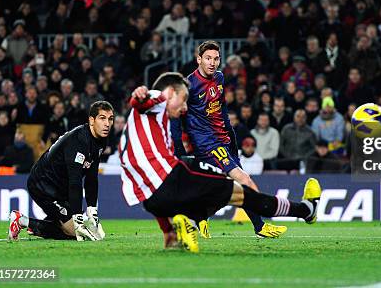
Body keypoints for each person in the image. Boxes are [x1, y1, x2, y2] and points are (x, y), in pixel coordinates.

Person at [125, 72, 320, 253]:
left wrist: (166, 231)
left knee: (229, 194)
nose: (185, 107)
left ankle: (185, 227)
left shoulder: (151, 125)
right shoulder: (158, 98)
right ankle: (305, 210)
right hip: (171, 178)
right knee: (242, 191)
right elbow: (142, 100)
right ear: (171, 92)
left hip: (151, 201)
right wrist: (139, 94)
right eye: (184, 100)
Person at [132, 41, 286, 239]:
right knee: (243, 180)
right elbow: (177, 117)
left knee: (224, 187)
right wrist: (179, 151)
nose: (212, 63)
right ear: (199, 60)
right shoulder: (189, 85)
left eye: (216, 59)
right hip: (207, 143)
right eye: (208, 58)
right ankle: (260, 225)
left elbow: (221, 110)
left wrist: (231, 136)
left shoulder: (220, 78)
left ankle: (199, 217)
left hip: (223, 141)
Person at [8, 101, 115, 241]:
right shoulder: (78, 140)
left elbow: (91, 177)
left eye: (110, 119)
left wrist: (92, 211)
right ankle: (24, 222)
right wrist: (77, 217)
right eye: (102, 118)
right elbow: (75, 181)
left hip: (60, 187)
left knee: (74, 230)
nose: (107, 123)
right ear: (91, 120)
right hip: (43, 183)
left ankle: (24, 221)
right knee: (75, 232)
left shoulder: (101, 140)